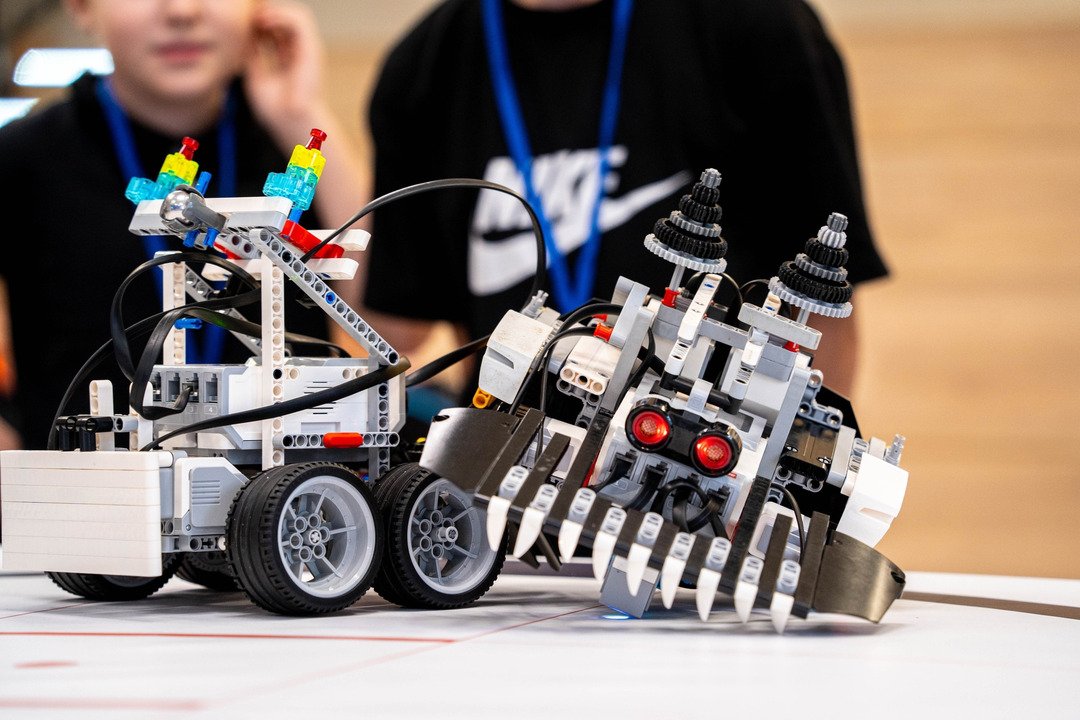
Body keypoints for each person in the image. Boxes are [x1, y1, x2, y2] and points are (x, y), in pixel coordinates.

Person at [361, 0, 889, 407]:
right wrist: (313, 113)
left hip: (702, 465)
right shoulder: (424, 67)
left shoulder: (756, 26)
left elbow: (820, 315)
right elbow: (399, 326)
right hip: (501, 462)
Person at [0, 0, 368, 451]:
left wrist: (300, 113)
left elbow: (396, 321)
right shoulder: (25, 157)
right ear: (82, 7)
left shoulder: (286, 146)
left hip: (291, 477)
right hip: (88, 477)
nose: (182, 10)